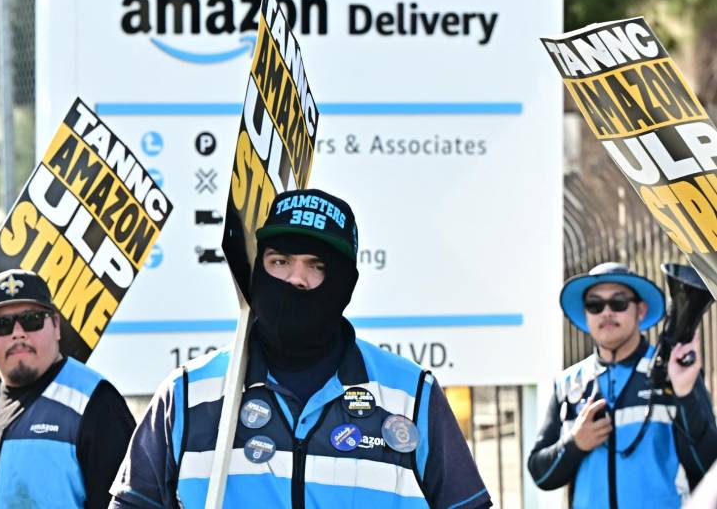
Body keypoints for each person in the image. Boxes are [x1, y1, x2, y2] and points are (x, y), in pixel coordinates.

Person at [109, 188, 491, 508]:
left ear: (345, 282)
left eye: (316, 265)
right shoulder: (188, 395)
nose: (297, 279)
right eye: (280, 261)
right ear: (258, 269)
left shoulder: (409, 395)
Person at [0, 269, 136, 508]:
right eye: (1, 324)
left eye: (32, 320)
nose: (18, 333)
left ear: (56, 325)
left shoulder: (96, 403)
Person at [528, 262, 717, 508]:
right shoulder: (567, 383)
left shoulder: (676, 372)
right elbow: (540, 474)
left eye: (618, 303)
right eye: (595, 305)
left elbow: (707, 465)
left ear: (640, 310)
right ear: (586, 315)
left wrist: (684, 394)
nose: (606, 312)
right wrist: (575, 444)